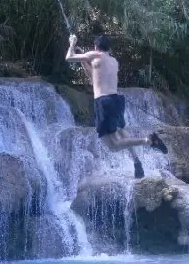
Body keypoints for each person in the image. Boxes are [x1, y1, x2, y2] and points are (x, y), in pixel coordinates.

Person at [65, 33, 168, 178]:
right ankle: (137, 162)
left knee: (113, 145)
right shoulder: (114, 61)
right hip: (117, 101)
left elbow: (68, 57)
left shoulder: (95, 55)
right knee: (121, 132)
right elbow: (93, 77)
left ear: (96, 47)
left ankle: (148, 140)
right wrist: (84, 59)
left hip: (104, 102)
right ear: (109, 47)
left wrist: (72, 43)